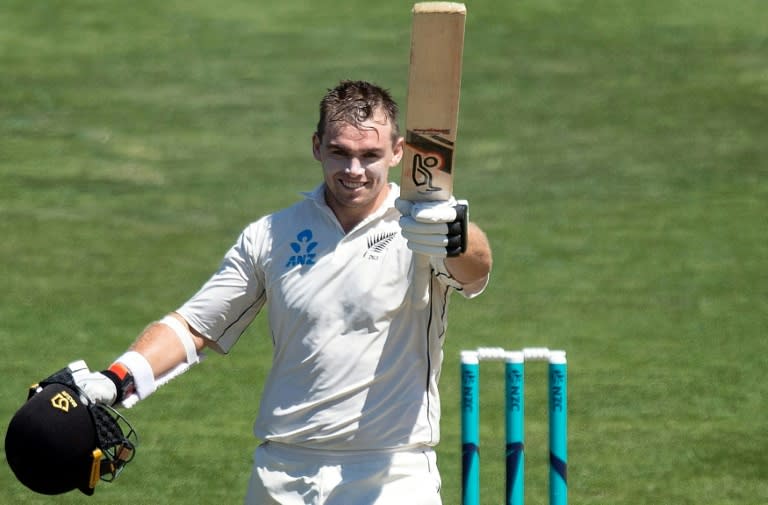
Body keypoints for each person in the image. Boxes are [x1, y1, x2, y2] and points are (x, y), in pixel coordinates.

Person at [71, 80, 492, 504]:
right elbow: (195, 326)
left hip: (390, 473)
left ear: (398, 152)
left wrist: (454, 233)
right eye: (340, 152)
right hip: (284, 472)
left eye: (370, 156)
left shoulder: (424, 230)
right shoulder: (271, 235)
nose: (354, 171)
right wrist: (116, 379)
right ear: (316, 146)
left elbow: (475, 270)